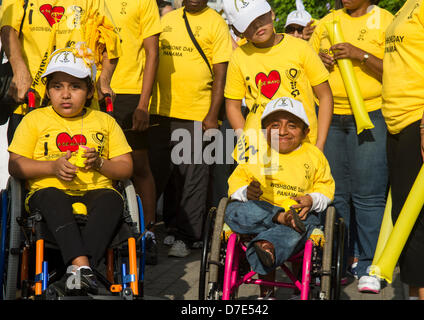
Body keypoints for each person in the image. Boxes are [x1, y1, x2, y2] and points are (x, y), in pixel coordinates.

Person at [8, 47, 133, 296]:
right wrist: (52, 167)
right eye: (57, 86)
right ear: (48, 90)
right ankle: (83, 268)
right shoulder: (34, 120)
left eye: (75, 87)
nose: (65, 94)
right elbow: (16, 165)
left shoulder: (105, 122)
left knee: (112, 200)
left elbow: (126, 167)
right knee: (54, 197)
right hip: (48, 190)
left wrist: (99, 163)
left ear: (88, 92)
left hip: (96, 189)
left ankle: (76, 273)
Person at [309, 0, 393, 293]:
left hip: (371, 115)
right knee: (336, 194)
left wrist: (361, 55)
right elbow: (307, 69)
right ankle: (338, 263)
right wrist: (319, 61)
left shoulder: (386, 21)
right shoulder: (325, 22)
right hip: (329, 117)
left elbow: (395, 71)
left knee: (369, 195)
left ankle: (372, 264)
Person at [225, 97, 335, 299]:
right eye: (275, 125)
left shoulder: (314, 155)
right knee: (233, 211)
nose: (282, 131)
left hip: (296, 217)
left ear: (306, 131)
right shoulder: (256, 152)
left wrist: (311, 199)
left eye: (292, 125)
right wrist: (245, 192)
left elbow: (326, 187)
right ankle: (278, 221)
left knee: (296, 230)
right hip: (261, 212)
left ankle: (268, 255)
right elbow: (235, 182)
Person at [148, 0, 232, 257]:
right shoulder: (167, 21)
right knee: (157, 175)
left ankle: (188, 237)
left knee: (193, 181)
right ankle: (157, 229)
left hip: (196, 115)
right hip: (159, 112)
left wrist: (211, 115)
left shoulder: (216, 24)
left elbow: (221, 75)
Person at [381, 0, 424, 300]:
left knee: (418, 224)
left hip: (422, 122)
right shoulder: (409, 5)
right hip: (399, 125)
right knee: (405, 224)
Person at [0, 0, 121, 143]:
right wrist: (20, 72)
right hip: (31, 97)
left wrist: (104, 81)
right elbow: (8, 29)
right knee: (25, 160)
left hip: (79, 102)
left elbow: (110, 39)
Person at [222, 0, 333, 153]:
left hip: (302, 142)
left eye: (260, 16)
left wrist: (320, 143)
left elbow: (325, 96)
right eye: (248, 22)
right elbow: (232, 106)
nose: (257, 25)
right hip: (259, 146)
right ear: (237, 30)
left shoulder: (301, 48)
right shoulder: (238, 57)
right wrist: (247, 142)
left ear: (271, 13)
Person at [107, 0, 161, 265]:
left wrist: (143, 103)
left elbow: (152, 53)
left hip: (130, 93)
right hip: (93, 89)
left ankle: (148, 233)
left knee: (139, 165)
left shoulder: (145, 2)